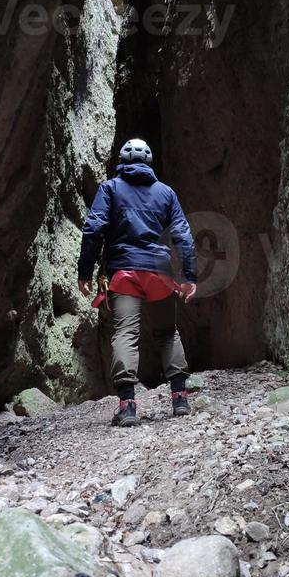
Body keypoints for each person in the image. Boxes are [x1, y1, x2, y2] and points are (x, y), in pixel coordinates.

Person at [77, 138, 197, 427]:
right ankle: (180, 399)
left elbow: (94, 229)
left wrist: (85, 271)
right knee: (168, 333)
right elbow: (183, 235)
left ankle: (128, 405)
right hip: (159, 273)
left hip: (124, 272)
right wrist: (189, 276)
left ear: (122, 160)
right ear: (149, 162)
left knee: (125, 333)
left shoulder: (110, 189)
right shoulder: (166, 193)